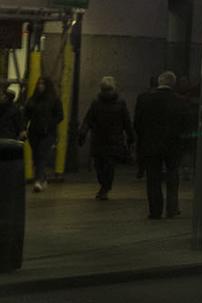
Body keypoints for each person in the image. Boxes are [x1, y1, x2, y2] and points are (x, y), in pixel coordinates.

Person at [133, 70, 195, 220]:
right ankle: (172, 208)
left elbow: (137, 123)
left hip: (150, 144)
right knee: (173, 175)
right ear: (173, 84)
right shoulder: (180, 101)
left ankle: (155, 210)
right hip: (173, 144)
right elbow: (187, 125)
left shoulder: (144, 99)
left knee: (153, 178)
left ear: (159, 83)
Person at [78, 76, 133, 200]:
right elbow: (127, 122)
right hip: (113, 139)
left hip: (100, 139)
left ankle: (104, 188)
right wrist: (131, 137)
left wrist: (82, 133)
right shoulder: (118, 103)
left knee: (103, 166)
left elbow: (88, 120)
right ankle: (105, 187)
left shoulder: (97, 103)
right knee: (105, 166)